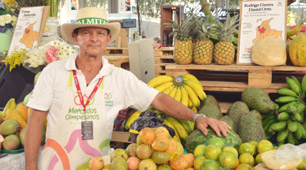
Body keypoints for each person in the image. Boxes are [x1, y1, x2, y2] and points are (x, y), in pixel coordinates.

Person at [24, 7, 231, 170]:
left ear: (107, 40)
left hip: (100, 165)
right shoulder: (54, 72)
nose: (93, 38)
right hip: (53, 165)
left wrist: (196, 118)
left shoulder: (120, 78)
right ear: (76, 38)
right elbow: (35, 122)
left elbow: (158, 99)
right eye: (86, 33)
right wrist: (30, 166)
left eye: (100, 33)